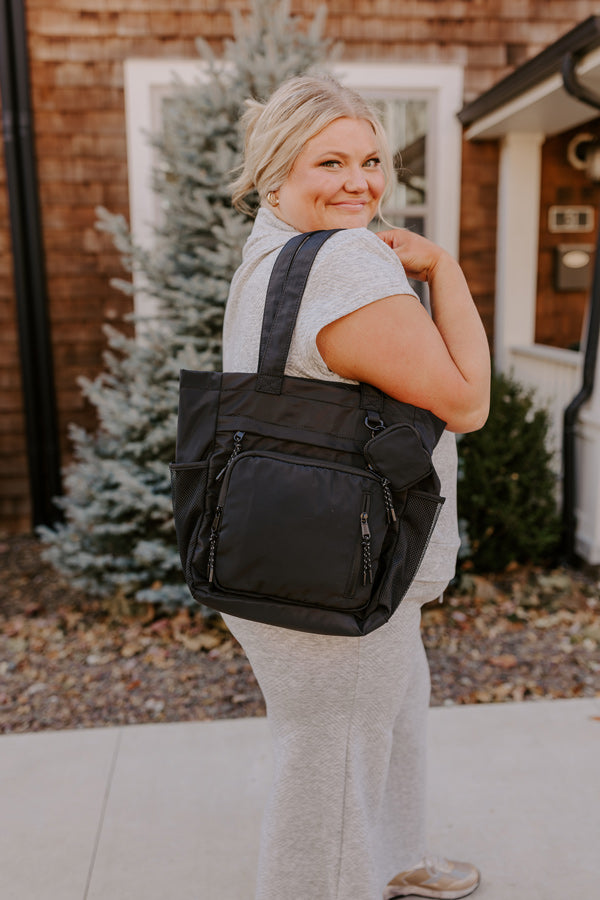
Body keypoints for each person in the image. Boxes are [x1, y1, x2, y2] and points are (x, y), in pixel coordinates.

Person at [222, 74, 490, 900]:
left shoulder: (271, 252)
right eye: (329, 162)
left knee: (393, 715)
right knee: (333, 766)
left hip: (316, 545)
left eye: (372, 159)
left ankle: (397, 858)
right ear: (275, 175)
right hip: (339, 559)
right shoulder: (342, 265)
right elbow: (469, 402)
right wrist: (442, 268)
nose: (360, 183)